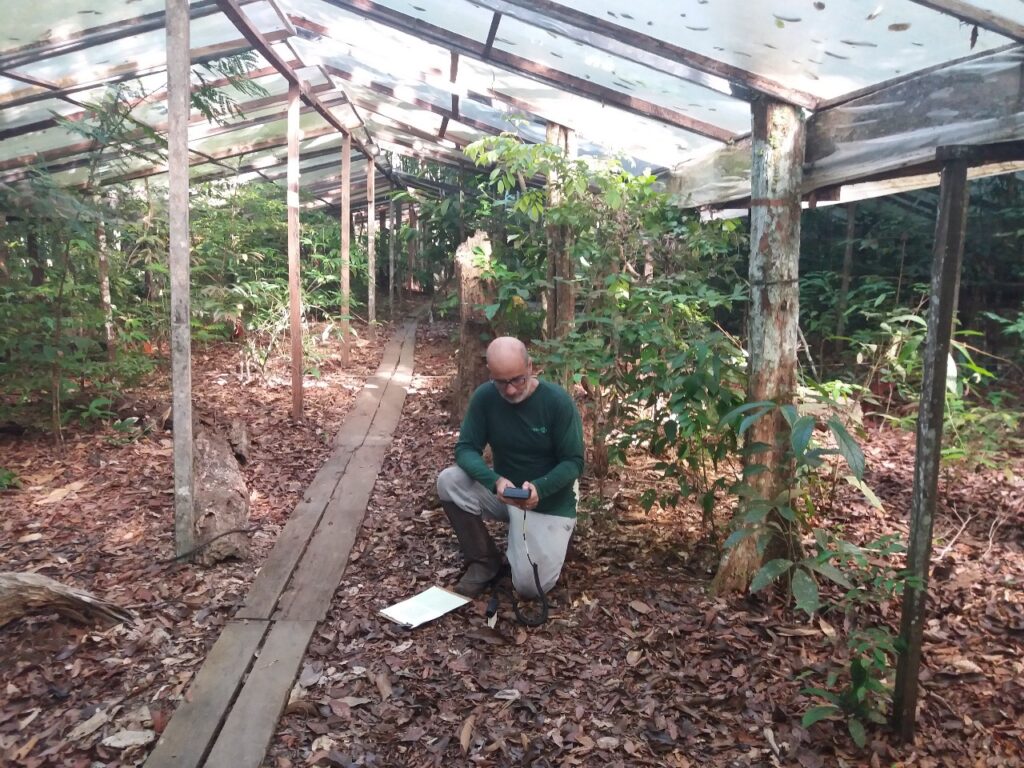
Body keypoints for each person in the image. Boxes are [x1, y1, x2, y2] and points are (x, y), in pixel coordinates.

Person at [437, 336, 584, 600]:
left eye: (517, 379)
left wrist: (541, 487)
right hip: (506, 494)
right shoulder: (485, 398)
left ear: (530, 367)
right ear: (490, 375)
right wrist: (495, 481)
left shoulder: (557, 402)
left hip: (550, 501)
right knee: (449, 481)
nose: (511, 390)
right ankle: (484, 561)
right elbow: (465, 448)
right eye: (501, 382)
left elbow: (573, 461)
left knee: (529, 589)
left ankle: (556, 537)